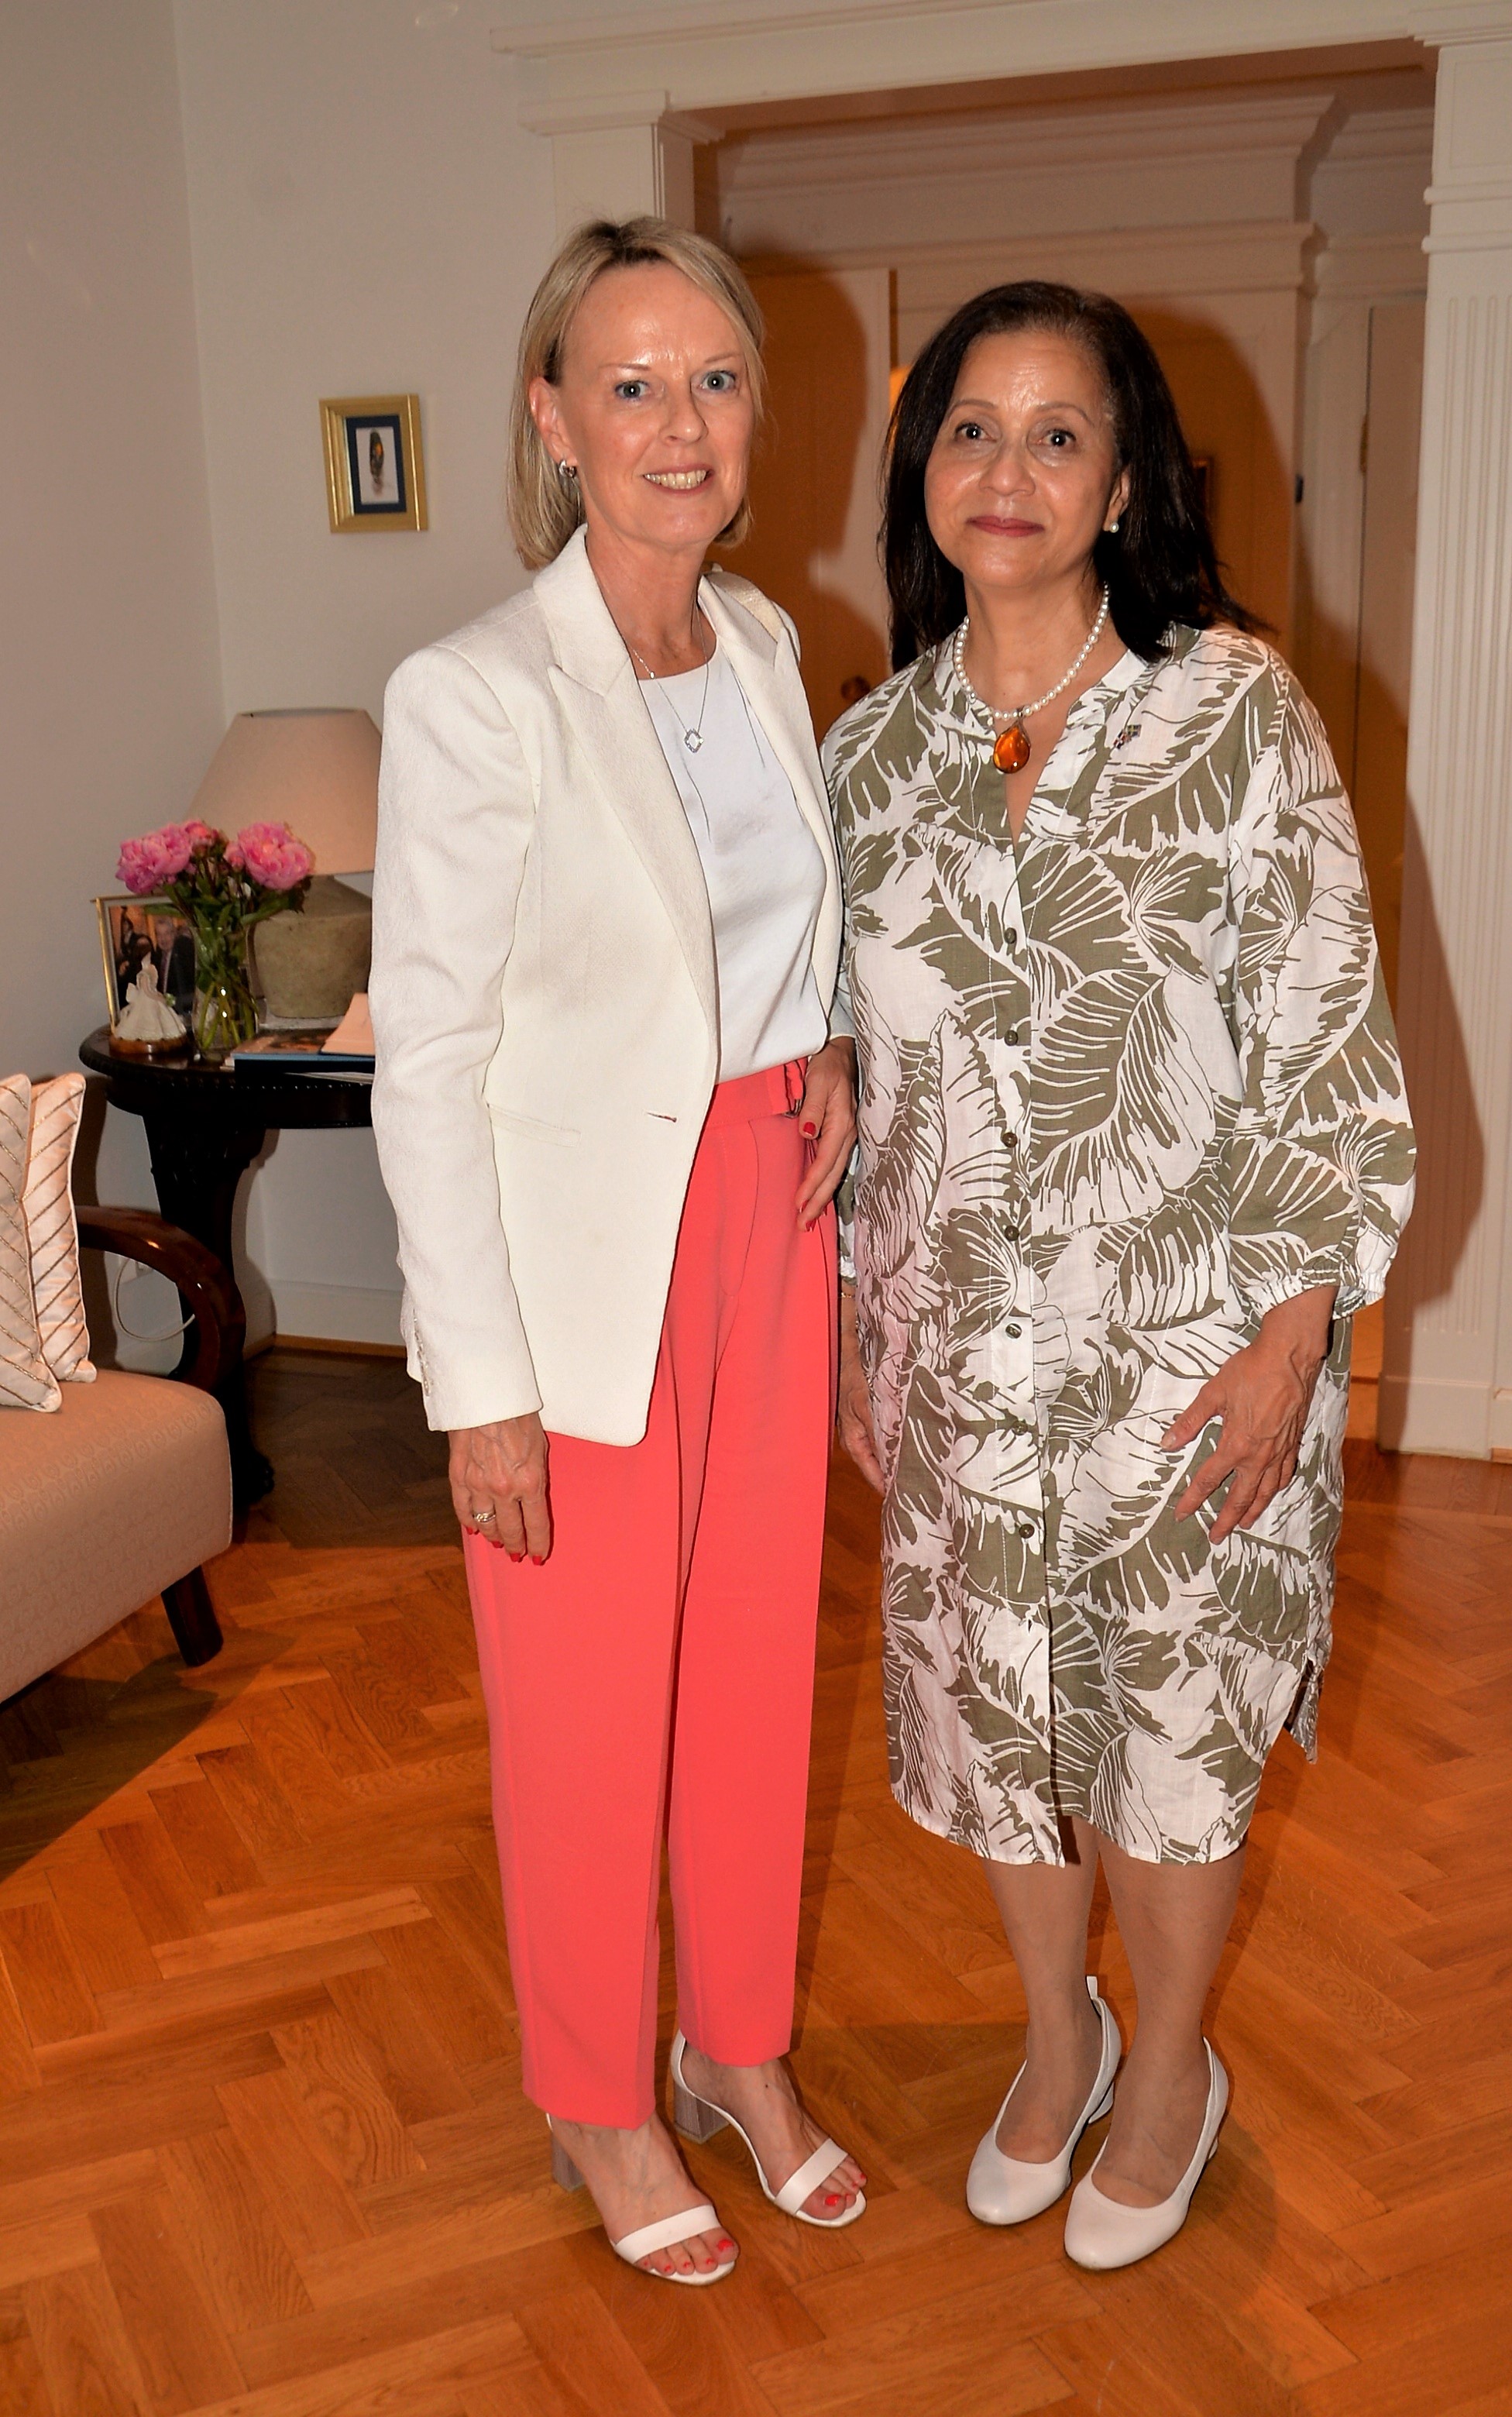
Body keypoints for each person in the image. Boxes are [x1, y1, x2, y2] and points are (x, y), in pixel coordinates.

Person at [826, 280, 1414, 2271]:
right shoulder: (871, 755)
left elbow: (1327, 1038)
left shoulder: (1231, 711)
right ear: (920, 470)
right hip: (961, 1354)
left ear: (1123, 482)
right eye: (967, 427)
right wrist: (866, 1322)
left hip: (1193, 1356)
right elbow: (846, 1059)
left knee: (1169, 1743)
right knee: (1004, 1734)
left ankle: (1168, 2066)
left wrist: (1293, 1341)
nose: (1005, 469)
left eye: (1055, 433)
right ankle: (1054, 2033)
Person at [369, 218, 866, 2286]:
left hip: (770, 1222)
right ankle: (595, 2096)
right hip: (583, 1273)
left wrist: (823, 1040)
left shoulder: (762, 646)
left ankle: (733, 2046)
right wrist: (476, 1387)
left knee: (753, 1675)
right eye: (633, 384)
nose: (682, 424)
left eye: (716, 381)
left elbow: (765, 919)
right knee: (584, 1717)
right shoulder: (476, 695)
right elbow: (430, 1057)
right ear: (554, 419)